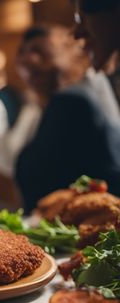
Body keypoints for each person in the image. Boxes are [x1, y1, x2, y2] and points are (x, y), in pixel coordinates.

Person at [15, 22, 120, 213]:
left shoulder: (71, 101)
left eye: (39, 50)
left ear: (74, 52)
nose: (27, 59)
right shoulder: (47, 107)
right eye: (22, 52)